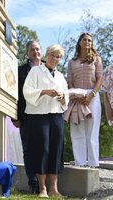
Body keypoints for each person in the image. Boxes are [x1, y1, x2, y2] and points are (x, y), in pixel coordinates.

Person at [23, 44, 69, 198]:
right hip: (38, 116)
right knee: (42, 149)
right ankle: (42, 189)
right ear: (46, 55)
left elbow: (66, 98)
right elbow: (27, 91)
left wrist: (63, 98)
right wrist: (44, 92)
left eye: (58, 57)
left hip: (56, 116)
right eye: (52, 55)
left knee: (56, 150)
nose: (54, 59)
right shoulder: (36, 71)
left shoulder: (61, 76)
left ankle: (53, 189)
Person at [67, 32, 103, 167]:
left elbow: (99, 79)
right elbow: (69, 81)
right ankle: (80, 163)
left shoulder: (97, 59)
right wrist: (76, 95)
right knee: (77, 129)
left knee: (92, 130)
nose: (87, 42)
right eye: (85, 40)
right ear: (80, 42)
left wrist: (91, 95)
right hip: (76, 97)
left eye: (90, 40)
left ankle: (93, 164)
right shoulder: (71, 62)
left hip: (92, 96)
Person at [11, 41, 42, 194]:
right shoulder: (20, 71)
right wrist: (14, 116)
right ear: (27, 53)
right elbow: (14, 96)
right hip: (26, 117)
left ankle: (44, 184)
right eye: (32, 50)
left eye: (37, 49)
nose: (35, 52)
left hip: (46, 117)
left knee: (44, 149)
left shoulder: (48, 69)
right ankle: (33, 182)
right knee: (29, 150)